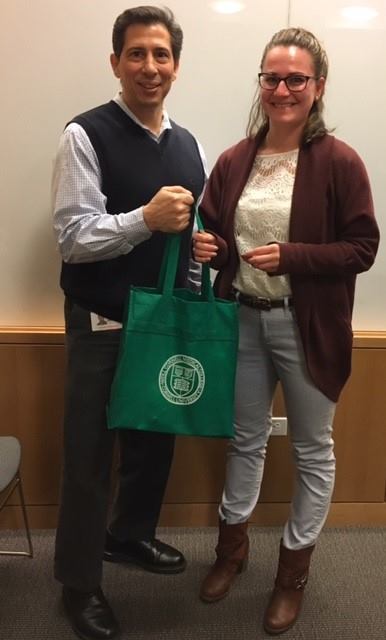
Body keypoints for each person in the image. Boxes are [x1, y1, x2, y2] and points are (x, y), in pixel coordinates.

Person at [193, 27, 379, 636]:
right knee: (244, 440)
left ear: (317, 87)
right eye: (271, 77)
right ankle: (232, 551)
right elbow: (221, 239)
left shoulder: (340, 160)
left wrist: (294, 255)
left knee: (311, 452)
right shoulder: (235, 158)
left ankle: (292, 575)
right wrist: (208, 246)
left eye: (295, 78)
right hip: (242, 320)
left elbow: (362, 247)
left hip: (308, 329)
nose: (281, 89)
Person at [52, 6, 206, 639]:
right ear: (115, 63)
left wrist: (201, 253)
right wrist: (145, 217)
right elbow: (72, 237)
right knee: (90, 452)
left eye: (161, 54)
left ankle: (129, 536)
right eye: (137, 54)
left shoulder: (188, 142)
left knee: (153, 436)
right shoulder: (84, 134)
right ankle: (79, 584)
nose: (150, 67)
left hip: (165, 320)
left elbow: (187, 230)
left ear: (176, 64)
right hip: (102, 319)